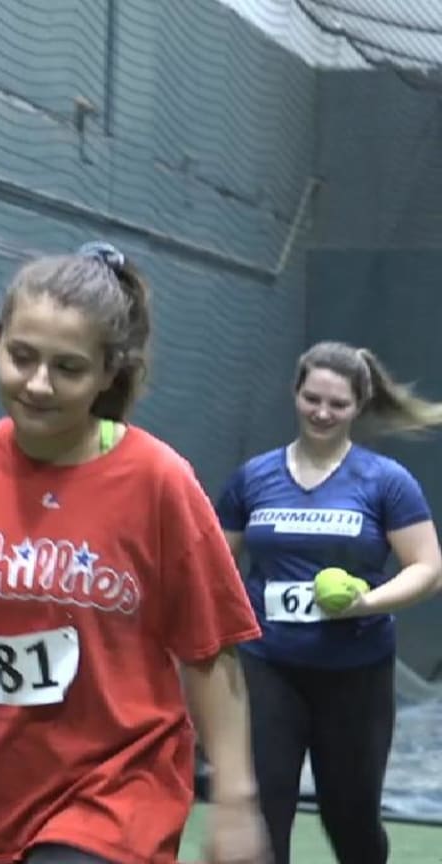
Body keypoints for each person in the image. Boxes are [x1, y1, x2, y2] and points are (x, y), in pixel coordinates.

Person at [0, 242, 271, 864]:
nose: (38, 384)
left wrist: (236, 800)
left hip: (118, 792)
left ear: (108, 372)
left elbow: (209, 652)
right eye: (22, 357)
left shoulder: (158, 482)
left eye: (67, 368)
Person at [214, 341, 442, 864]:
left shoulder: (385, 481)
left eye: (336, 404)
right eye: (311, 398)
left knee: (352, 820)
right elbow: (217, 567)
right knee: (265, 815)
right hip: (267, 667)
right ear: (295, 394)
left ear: (358, 406)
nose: (322, 412)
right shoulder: (253, 479)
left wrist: (366, 602)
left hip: (354, 673)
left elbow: (428, 568)